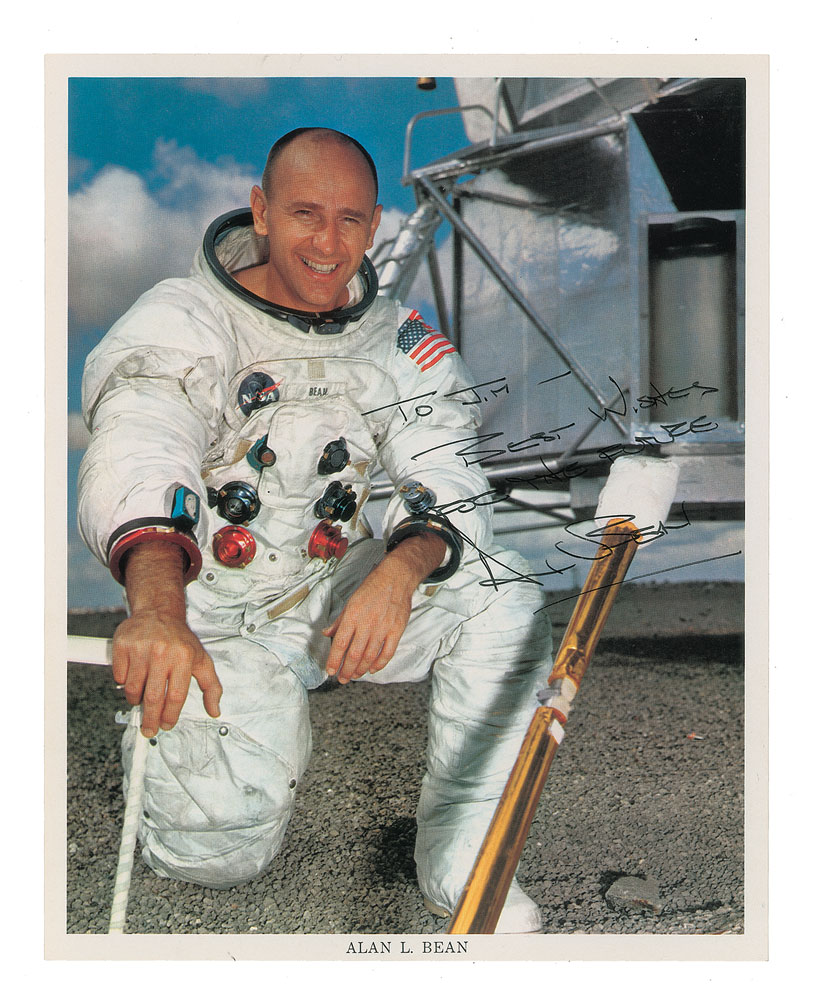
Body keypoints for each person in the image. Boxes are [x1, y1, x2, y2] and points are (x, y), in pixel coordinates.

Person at [78, 127, 553, 933]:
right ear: (261, 212)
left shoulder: (399, 341)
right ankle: (177, 757)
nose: (328, 244)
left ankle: (464, 856)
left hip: (325, 595)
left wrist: (403, 568)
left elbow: (447, 466)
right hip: (208, 618)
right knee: (217, 855)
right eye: (305, 214)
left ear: (373, 226)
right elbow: (142, 446)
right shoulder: (182, 318)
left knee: (498, 591)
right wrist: (156, 612)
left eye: (350, 220)